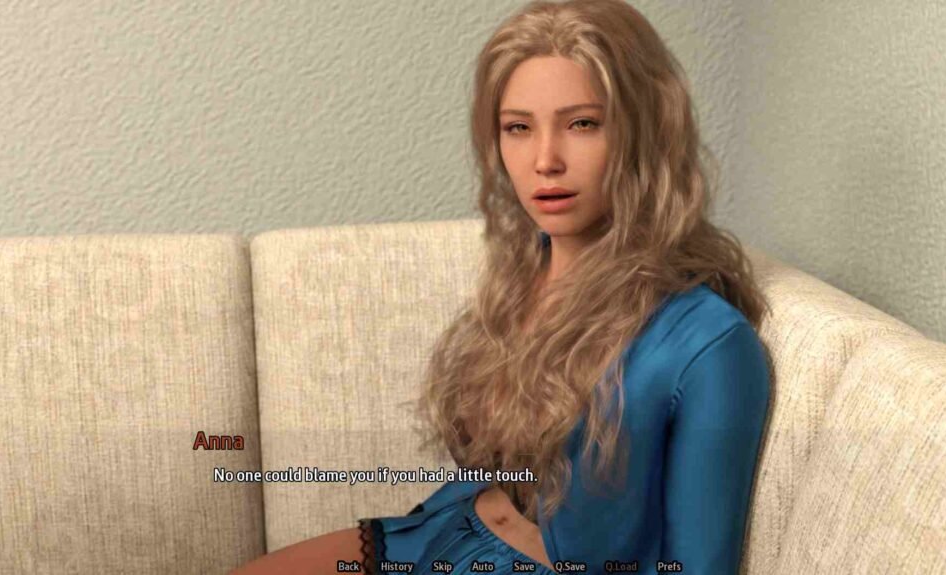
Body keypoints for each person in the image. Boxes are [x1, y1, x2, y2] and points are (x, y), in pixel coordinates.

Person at [232, 0, 771, 573]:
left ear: (646, 131)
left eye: (582, 124)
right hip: (448, 530)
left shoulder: (710, 345)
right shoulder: (521, 273)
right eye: (518, 128)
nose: (545, 160)